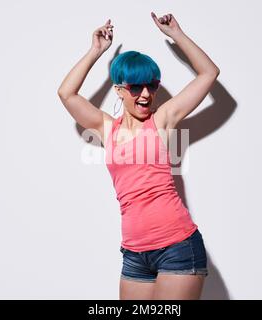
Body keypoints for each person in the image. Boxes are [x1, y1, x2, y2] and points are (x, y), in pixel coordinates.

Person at [57, 12, 220, 300]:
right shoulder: (106, 128)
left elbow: (209, 73)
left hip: (178, 247)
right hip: (134, 254)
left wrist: (178, 35)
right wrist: (95, 51)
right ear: (119, 90)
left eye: (152, 85)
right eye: (136, 87)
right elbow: (67, 93)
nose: (146, 94)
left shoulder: (162, 119)